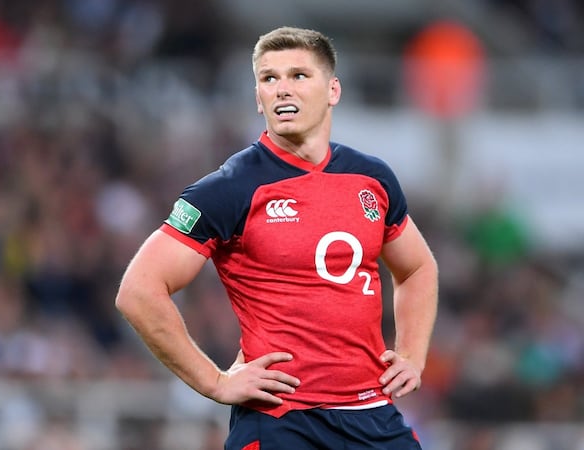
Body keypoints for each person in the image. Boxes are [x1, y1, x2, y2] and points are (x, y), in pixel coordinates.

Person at [115, 26, 438, 449]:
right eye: (269, 79)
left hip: (372, 416)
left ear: (333, 90)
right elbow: (138, 291)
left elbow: (416, 267)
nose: (282, 89)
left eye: (299, 76)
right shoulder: (230, 188)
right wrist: (214, 381)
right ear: (257, 97)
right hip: (282, 421)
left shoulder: (371, 178)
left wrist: (412, 355)